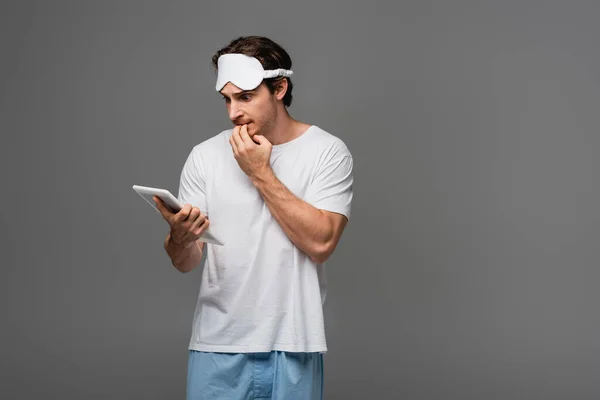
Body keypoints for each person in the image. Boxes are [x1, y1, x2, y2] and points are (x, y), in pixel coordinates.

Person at [153, 36, 353, 400]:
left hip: (293, 341)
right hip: (217, 343)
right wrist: (179, 237)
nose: (233, 113)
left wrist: (260, 172)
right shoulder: (205, 156)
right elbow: (185, 262)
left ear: (279, 88)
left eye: (245, 97)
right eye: (227, 99)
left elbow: (321, 243)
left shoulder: (327, 151)